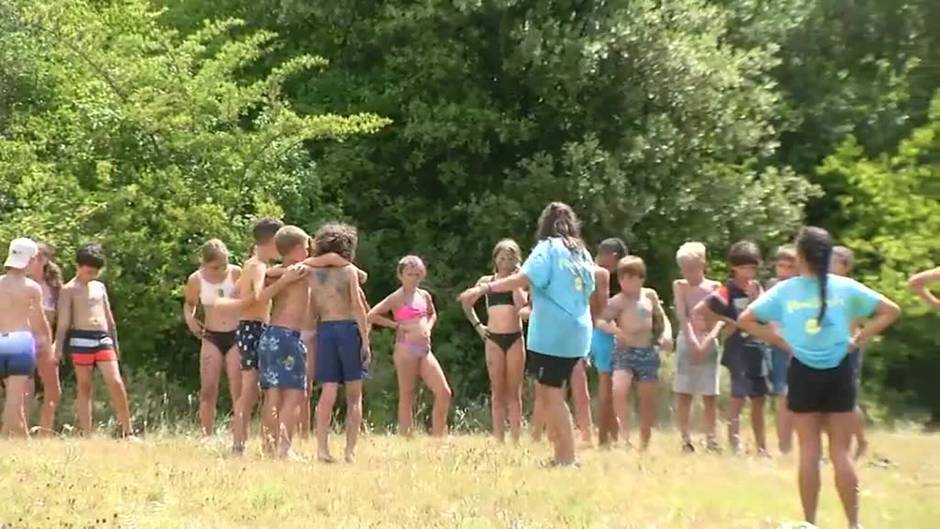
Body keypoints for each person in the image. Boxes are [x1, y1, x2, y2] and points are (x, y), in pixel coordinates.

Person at [739, 226, 900, 529]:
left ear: (799, 256)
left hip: (802, 370)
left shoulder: (786, 290)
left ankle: (810, 522)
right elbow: (891, 310)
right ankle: (854, 523)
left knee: (809, 451)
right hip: (840, 370)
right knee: (841, 451)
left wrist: (782, 342)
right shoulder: (847, 287)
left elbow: (745, 319)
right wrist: (858, 339)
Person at [459, 202, 595, 466]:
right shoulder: (582, 252)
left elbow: (524, 278)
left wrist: (484, 289)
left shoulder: (547, 249)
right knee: (549, 391)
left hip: (552, 332)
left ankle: (567, 457)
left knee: (552, 394)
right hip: (579, 331)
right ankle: (559, 453)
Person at [693, 240, 768, 455]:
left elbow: (765, 314)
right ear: (734, 267)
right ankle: (735, 444)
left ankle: (761, 446)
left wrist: (756, 298)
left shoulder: (757, 288)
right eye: (744, 267)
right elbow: (700, 310)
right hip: (738, 349)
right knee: (738, 396)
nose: (748, 272)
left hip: (757, 346)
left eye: (752, 267)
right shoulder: (727, 291)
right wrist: (727, 321)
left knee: (759, 398)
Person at [308, 223, 371, 463]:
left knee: (328, 391)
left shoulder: (312, 272)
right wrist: (365, 340)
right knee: (355, 395)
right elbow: (357, 305)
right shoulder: (349, 272)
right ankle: (350, 451)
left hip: (325, 329)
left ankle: (322, 448)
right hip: (348, 329)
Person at [370, 256, 452, 437]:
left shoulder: (424, 295)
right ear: (401, 275)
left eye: (417, 274)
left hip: (425, 349)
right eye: (409, 274)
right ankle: (406, 436)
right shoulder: (397, 297)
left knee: (443, 391)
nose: (414, 278)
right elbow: (372, 315)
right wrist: (397, 326)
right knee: (407, 394)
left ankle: (439, 435)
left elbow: (432, 314)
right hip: (406, 348)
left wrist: (429, 328)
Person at [596, 256, 672, 450]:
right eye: (623, 278)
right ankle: (625, 436)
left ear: (641, 279)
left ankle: (645, 441)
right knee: (618, 390)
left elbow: (662, 318)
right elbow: (601, 321)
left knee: (647, 400)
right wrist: (616, 331)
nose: (626, 283)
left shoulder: (649, 296)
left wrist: (666, 335)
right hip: (625, 352)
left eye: (631, 278)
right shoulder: (617, 301)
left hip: (647, 351)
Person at [56, 243, 132, 437]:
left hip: (103, 337)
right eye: (89, 271)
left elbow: (109, 317)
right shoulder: (69, 289)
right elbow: (64, 321)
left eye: (95, 272)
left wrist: (115, 343)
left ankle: (127, 430)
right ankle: (87, 433)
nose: (92, 275)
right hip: (80, 338)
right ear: (78, 266)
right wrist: (58, 346)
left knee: (115, 381)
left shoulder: (99, 286)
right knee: (85, 386)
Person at [255, 226, 313, 458]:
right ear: (297, 249)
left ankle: (269, 446)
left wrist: (281, 274)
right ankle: (284, 449)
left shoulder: (274, 272)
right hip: (287, 337)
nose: (309, 253)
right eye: (307, 248)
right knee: (294, 394)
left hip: (270, 336)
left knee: (273, 394)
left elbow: (262, 290)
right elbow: (261, 297)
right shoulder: (302, 271)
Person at [462, 239, 528, 443]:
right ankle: (499, 437)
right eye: (502, 257)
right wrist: (478, 325)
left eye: (510, 258)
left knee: (514, 391)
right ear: (495, 259)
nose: (505, 262)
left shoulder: (519, 282)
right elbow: (466, 302)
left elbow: (522, 306)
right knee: (497, 390)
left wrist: (516, 279)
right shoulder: (486, 281)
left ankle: (516, 437)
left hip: (515, 337)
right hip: (493, 338)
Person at [182, 239, 243, 436]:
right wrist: (191, 321)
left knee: (238, 388)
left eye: (223, 265)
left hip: (235, 334)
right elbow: (189, 303)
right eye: (215, 267)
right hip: (211, 335)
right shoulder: (196, 279)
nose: (219, 270)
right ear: (205, 263)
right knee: (208, 388)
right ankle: (206, 434)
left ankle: (239, 434)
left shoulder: (236, 273)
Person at [671, 242, 721, 453]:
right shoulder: (680, 286)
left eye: (692, 268)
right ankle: (685, 439)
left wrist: (709, 338)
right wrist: (692, 340)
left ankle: (711, 439)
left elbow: (721, 317)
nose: (688, 273)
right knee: (684, 393)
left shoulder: (715, 287)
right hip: (687, 341)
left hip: (709, 340)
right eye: (684, 268)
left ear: (703, 264)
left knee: (710, 395)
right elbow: (682, 314)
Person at [0, 238, 52, 437]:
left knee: (14, 399)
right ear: (29, 260)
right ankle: (4, 439)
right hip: (21, 341)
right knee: (15, 399)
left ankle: (25, 443)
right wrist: (47, 343)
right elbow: (39, 321)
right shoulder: (32, 288)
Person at [831, 245, 868, 459]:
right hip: (825, 347)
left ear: (845, 266)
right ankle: (836, 447)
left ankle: (861, 441)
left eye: (834, 260)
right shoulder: (821, 287)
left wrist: (853, 341)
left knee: (847, 400)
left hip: (848, 348)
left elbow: (862, 320)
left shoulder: (852, 289)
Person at [591, 237, 628, 446]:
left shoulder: (582, 268)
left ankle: (611, 435)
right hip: (601, 333)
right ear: (614, 257)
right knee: (607, 386)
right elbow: (603, 312)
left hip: (581, 332)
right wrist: (620, 331)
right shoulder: (601, 274)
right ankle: (606, 438)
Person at [25, 242, 63, 435]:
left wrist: (57, 344)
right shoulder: (23, 284)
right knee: (24, 389)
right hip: (24, 339)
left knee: (53, 390)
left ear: (44, 260)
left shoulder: (55, 288)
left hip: (45, 341)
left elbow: (60, 319)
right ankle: (19, 433)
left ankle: (45, 432)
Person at [767, 244, 798, 454]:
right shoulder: (772, 286)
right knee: (784, 396)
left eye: (790, 266)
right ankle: (784, 446)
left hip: (803, 347)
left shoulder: (804, 286)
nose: (784, 271)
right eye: (781, 265)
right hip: (779, 346)